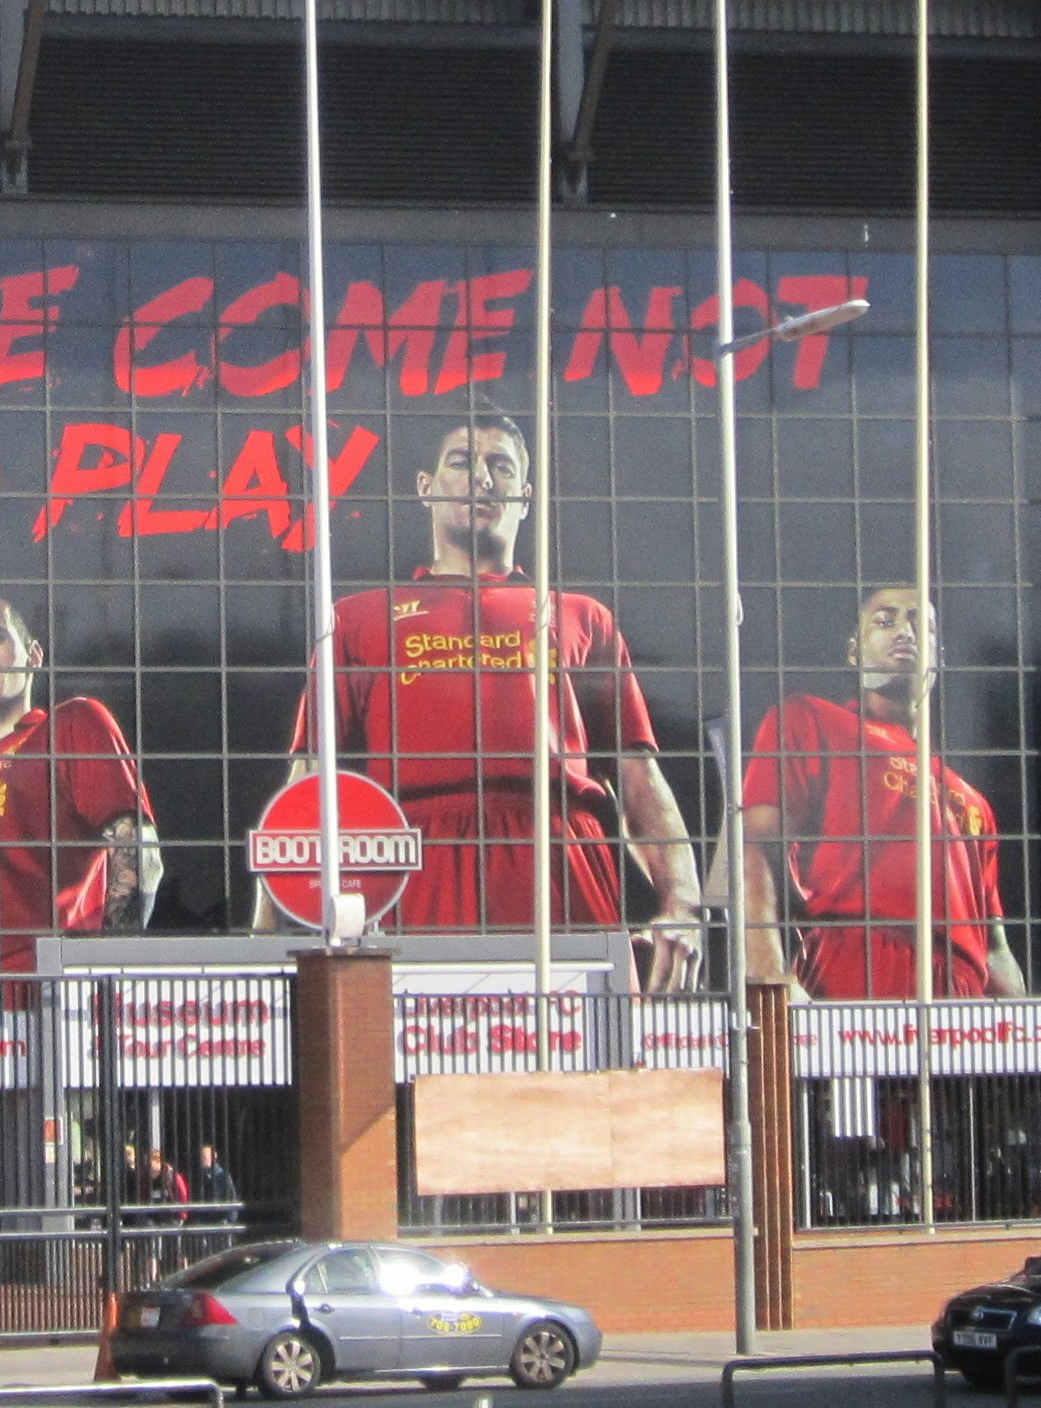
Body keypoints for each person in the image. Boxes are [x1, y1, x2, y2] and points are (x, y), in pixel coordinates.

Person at [268, 413, 710, 986]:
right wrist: (270, 934)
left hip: (557, 854)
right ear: (425, 488)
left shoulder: (580, 617)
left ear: (525, 496)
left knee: (578, 1060)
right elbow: (308, 785)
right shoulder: (356, 621)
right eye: (462, 462)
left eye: (502, 467)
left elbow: (638, 780)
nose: (482, 478)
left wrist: (684, 906)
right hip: (411, 857)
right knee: (415, 1058)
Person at [733, 583, 1026, 999]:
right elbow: (756, 844)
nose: (904, 632)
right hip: (853, 957)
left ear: (937, 656)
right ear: (855, 650)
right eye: (885, 621)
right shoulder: (813, 720)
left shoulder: (970, 800)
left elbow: (995, 947)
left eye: (919, 624)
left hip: (959, 984)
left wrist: (1024, 1031)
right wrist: (768, 974)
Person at [0, 597, 161, 991]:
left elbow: (138, 850)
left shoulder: (70, 725)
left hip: (33, 1011)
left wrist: (107, 977)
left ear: (33, 656)